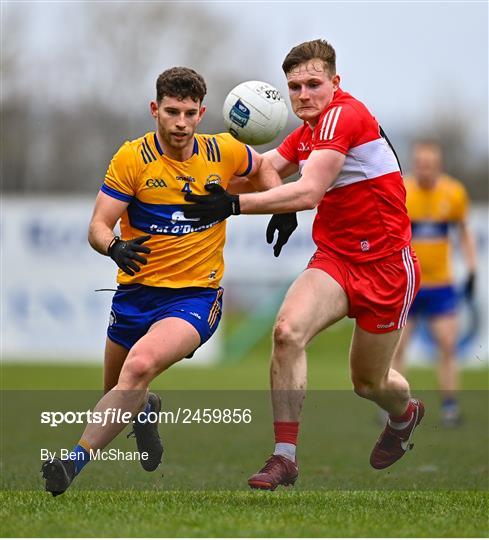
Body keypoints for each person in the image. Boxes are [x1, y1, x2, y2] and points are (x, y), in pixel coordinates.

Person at [184, 39, 425, 490]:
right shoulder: (308, 130)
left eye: (313, 84)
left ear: (336, 83)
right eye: (294, 86)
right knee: (286, 331)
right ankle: (284, 457)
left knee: (369, 384)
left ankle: (405, 415)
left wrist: (233, 205)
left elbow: (309, 191)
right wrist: (191, 183)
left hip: (388, 266)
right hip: (335, 259)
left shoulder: (345, 115)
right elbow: (267, 166)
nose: (303, 95)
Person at [41, 66, 290, 496]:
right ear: (155, 110)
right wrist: (114, 247)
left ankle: (70, 465)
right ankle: (145, 410)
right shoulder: (131, 158)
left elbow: (263, 167)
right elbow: (98, 226)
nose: (180, 122)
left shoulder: (224, 151)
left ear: (202, 113)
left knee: (137, 369)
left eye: (189, 113)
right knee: (120, 391)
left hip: (195, 298)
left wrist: (280, 208)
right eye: (171, 111)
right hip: (134, 296)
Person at [391, 140, 477, 427]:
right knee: (397, 348)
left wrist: (473, 268)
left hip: (441, 286)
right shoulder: (402, 191)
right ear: (415, 165)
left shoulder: (453, 193)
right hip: (408, 285)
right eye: (421, 165)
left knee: (448, 346)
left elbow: (464, 232)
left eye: (431, 165)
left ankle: (450, 408)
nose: (425, 170)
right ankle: (393, 408)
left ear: (438, 166)